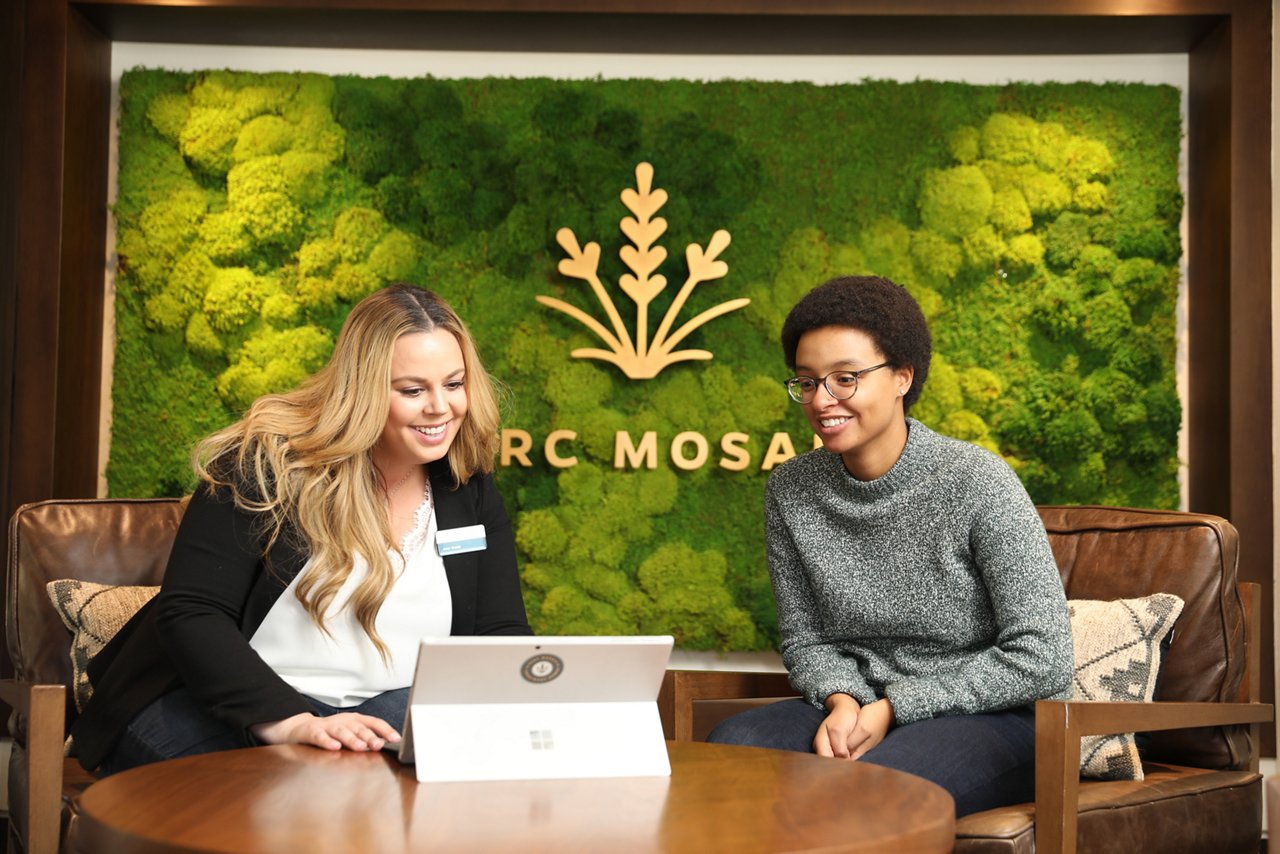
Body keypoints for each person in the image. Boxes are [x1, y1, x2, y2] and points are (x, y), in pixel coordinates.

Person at [73, 284, 532, 775]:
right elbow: (193, 613)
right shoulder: (266, 466)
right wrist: (293, 722)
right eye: (413, 390)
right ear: (362, 390)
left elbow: (498, 631)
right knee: (307, 791)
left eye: (454, 384)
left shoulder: (469, 488)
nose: (441, 407)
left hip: (384, 712)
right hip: (226, 708)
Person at [707, 275, 1073, 817]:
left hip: (994, 717)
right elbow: (805, 639)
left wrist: (894, 708)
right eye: (807, 382)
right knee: (730, 753)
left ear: (902, 376)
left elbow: (1044, 658)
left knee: (873, 788)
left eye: (845, 378)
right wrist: (843, 701)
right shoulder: (792, 490)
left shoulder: (977, 481)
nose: (822, 400)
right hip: (857, 703)